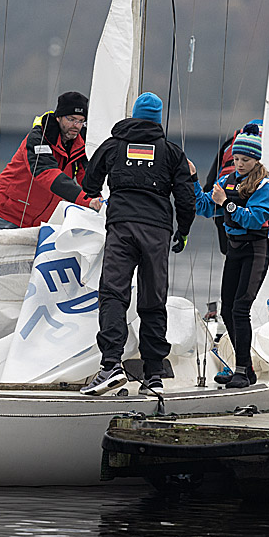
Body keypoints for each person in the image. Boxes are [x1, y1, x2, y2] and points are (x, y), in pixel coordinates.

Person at [79, 92, 197, 396]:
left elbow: (90, 182)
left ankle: (110, 365)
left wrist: (102, 190)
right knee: (153, 299)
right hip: (157, 232)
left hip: (121, 227)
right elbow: (186, 199)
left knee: (113, 293)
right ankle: (154, 373)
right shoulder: (172, 153)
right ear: (157, 120)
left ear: (133, 115)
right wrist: (182, 231)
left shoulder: (114, 145)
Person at [192, 123, 269, 389]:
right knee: (227, 309)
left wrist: (227, 204)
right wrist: (193, 180)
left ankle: (241, 370)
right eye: (236, 159)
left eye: (245, 160)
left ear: (256, 160)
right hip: (234, 249)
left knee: (241, 309)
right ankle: (246, 368)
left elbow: (255, 219)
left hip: (255, 250)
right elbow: (205, 207)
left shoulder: (266, 185)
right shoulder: (226, 180)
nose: (239, 164)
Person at [0, 91, 102, 229]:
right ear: (59, 117)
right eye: (71, 119)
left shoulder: (82, 143)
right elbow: (46, 173)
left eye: (81, 121)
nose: (76, 125)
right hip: (9, 214)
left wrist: (100, 199)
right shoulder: (39, 138)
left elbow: (88, 177)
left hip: (42, 220)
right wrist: (86, 201)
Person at [203, 119, 263, 256]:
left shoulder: (230, 144)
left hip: (222, 211)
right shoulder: (264, 145)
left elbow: (209, 183)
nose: (239, 164)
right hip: (250, 221)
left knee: (229, 254)